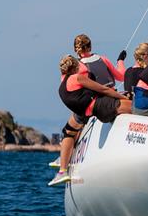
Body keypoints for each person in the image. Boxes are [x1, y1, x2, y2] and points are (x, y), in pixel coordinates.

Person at [50, 55, 132, 186]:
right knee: (134, 107)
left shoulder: (62, 85)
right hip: (100, 107)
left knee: (69, 131)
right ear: (76, 67)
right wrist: (122, 97)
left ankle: (62, 170)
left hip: (86, 113)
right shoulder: (77, 77)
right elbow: (103, 89)